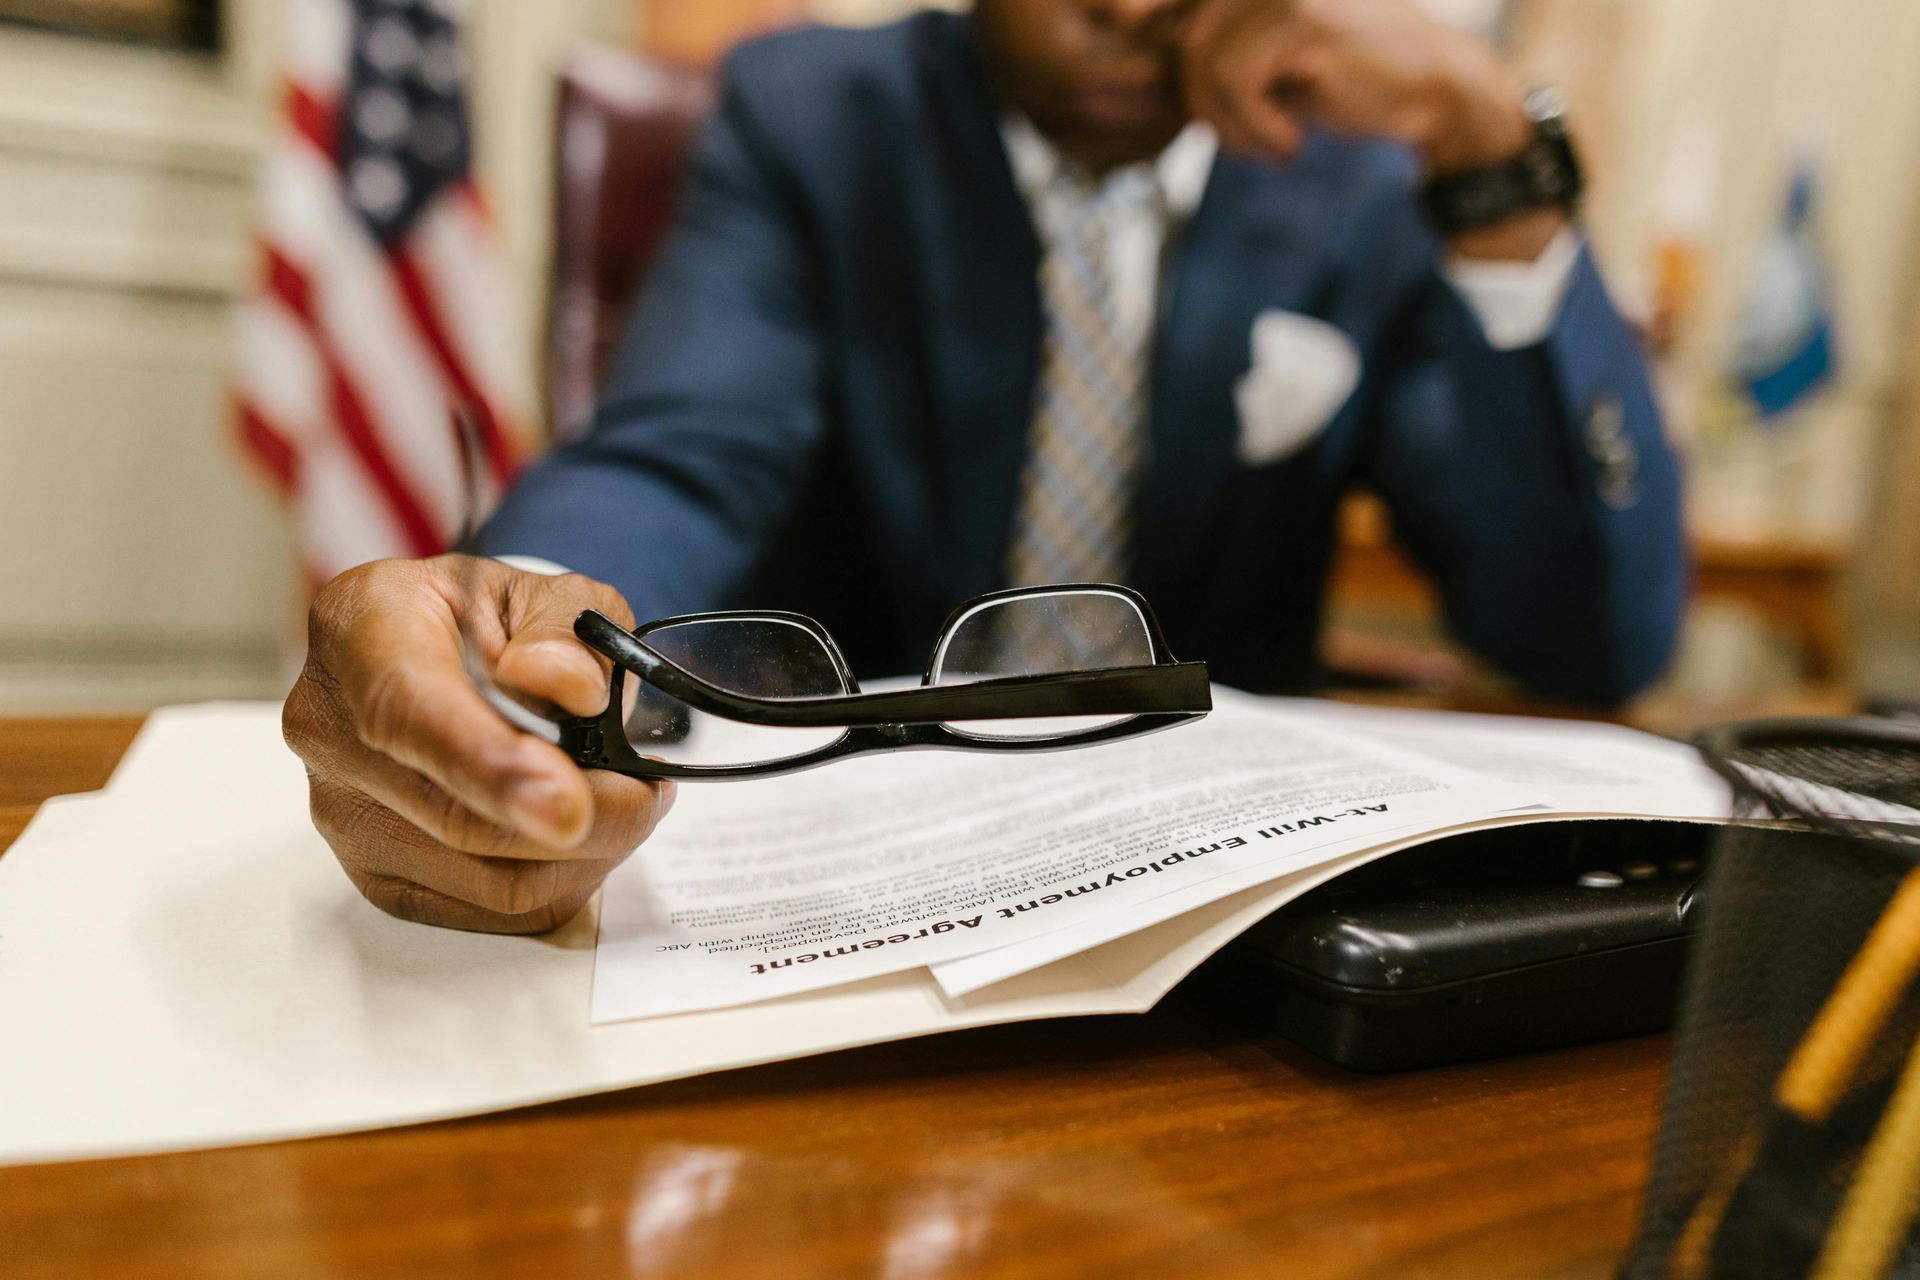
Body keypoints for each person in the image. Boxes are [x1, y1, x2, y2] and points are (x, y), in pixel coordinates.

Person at [283, 0, 1686, 934]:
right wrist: (518, 627)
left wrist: (1489, 146)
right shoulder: (813, 112)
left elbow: (1585, 635)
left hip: (1214, 895)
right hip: (826, 850)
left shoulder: (1360, 179)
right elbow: (684, 452)